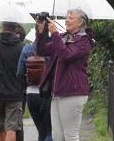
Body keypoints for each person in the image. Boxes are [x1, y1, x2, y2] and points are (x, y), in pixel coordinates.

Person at [36, 9, 96, 141]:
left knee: (71, 135)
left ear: (80, 23)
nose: (67, 20)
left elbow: (66, 55)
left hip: (73, 92)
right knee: (57, 136)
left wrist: (55, 33)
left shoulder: (84, 41)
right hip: (57, 91)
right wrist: (41, 32)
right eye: (67, 17)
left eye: (71, 18)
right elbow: (42, 50)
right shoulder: (63, 37)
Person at [0, 22, 24, 141]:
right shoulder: (21, 47)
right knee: (11, 129)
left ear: (2, 26)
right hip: (15, 94)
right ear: (15, 29)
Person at [17, 26, 53, 141]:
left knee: (41, 131)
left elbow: (19, 73)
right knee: (50, 131)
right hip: (48, 94)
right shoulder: (53, 48)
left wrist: (26, 87)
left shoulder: (27, 49)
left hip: (31, 94)